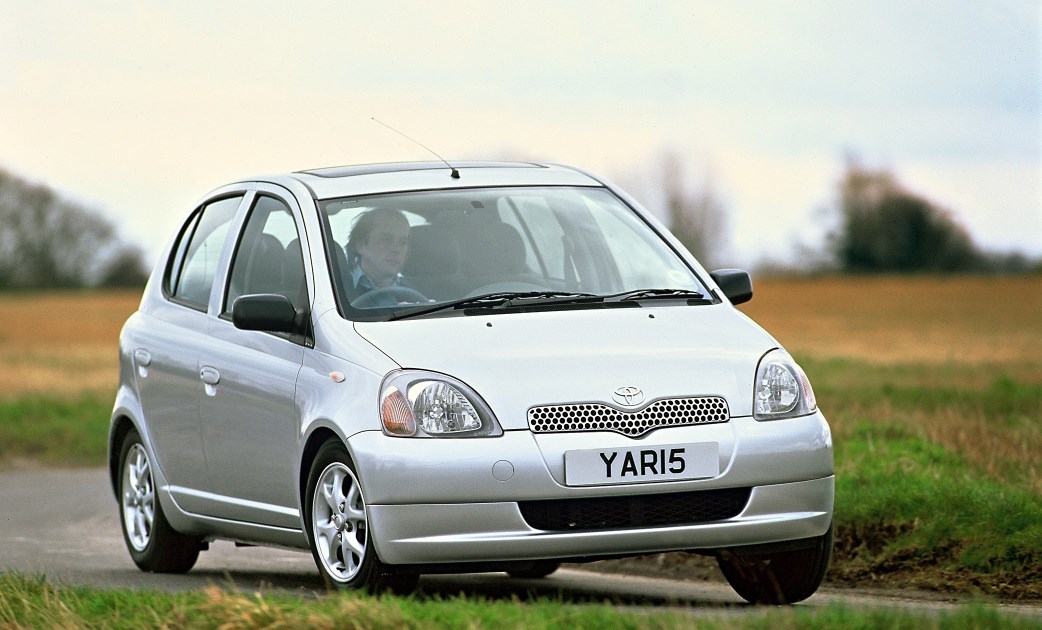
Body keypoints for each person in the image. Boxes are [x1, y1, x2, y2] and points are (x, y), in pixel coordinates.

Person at [344, 208, 412, 304]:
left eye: (403, 242)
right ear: (360, 245)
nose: (396, 249)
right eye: (385, 240)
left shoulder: (420, 292)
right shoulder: (335, 288)